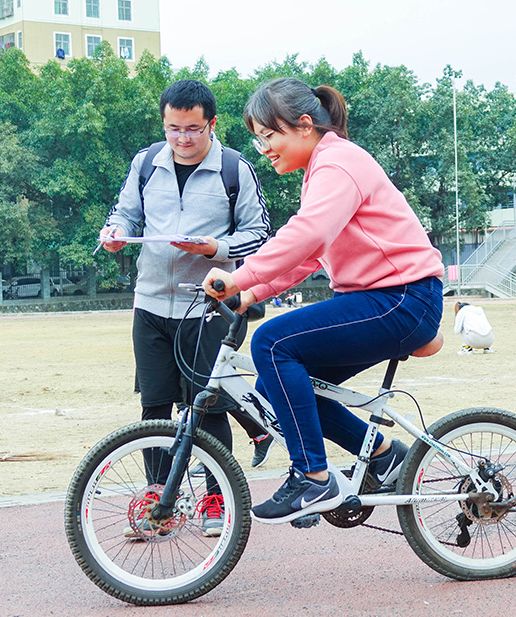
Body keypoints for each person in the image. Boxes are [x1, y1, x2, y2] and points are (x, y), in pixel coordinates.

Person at [204, 77, 444, 524]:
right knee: (274, 388)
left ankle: (314, 478)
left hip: (402, 297)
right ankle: (387, 456)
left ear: (305, 125)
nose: (266, 148)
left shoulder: (337, 162)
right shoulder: (323, 168)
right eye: (258, 141)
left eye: (269, 135)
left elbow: (308, 235)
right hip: (388, 299)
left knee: (273, 344)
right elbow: (312, 254)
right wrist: (252, 292)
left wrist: (239, 277)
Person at [100, 80, 272, 535]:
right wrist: (115, 231)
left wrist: (215, 247)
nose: (182, 139)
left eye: (193, 129)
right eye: (174, 128)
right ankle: (160, 502)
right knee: (154, 409)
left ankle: (215, 501)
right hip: (151, 305)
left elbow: (260, 236)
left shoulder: (236, 169)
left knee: (206, 407)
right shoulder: (145, 164)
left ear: (211, 125)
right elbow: (125, 214)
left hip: (208, 307)